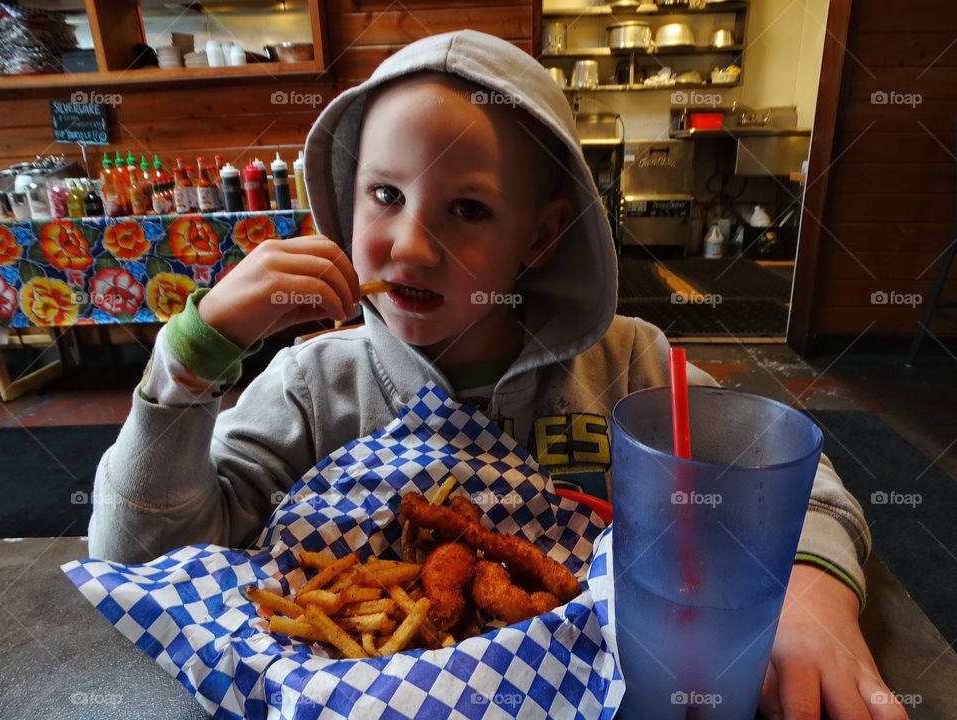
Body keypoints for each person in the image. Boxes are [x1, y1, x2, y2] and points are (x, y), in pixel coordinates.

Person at [89, 30, 905, 720]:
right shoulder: (310, 385)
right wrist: (189, 362)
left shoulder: (632, 365)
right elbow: (143, 564)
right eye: (384, 194)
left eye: (467, 210)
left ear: (542, 237)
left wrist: (811, 595)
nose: (409, 246)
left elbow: (799, 488)